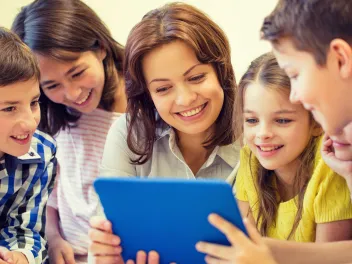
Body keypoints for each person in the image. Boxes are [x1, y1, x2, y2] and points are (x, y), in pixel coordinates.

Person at [87, 3, 240, 263]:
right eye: (162, 89)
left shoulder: (258, 135)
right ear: (147, 94)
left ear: (221, 70)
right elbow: (105, 238)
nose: (185, 99)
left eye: (196, 78)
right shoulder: (127, 133)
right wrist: (104, 253)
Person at [196, 53, 352, 262]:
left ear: (316, 122)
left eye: (282, 120)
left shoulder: (329, 169)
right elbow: (239, 242)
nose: (263, 134)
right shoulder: (251, 159)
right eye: (251, 120)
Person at [12, 0, 126, 263]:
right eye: (52, 85)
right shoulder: (49, 112)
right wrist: (53, 237)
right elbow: (50, 187)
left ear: (101, 48)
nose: (72, 94)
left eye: (77, 73)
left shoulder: (144, 106)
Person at [0, 27, 57, 264]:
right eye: (9, 108)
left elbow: (26, 231)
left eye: (34, 102)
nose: (30, 122)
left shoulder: (42, 153)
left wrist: (19, 259)